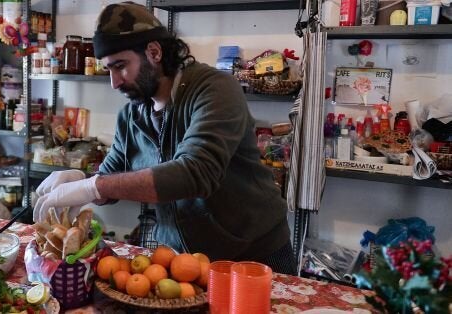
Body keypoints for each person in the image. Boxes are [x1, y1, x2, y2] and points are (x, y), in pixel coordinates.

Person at [33, 2, 296, 274]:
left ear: (154, 52)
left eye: (120, 66)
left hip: (252, 255)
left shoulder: (214, 89)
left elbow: (196, 173)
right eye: (108, 69)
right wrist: (81, 180)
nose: (114, 82)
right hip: (181, 259)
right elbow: (112, 176)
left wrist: (95, 187)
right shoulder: (132, 115)